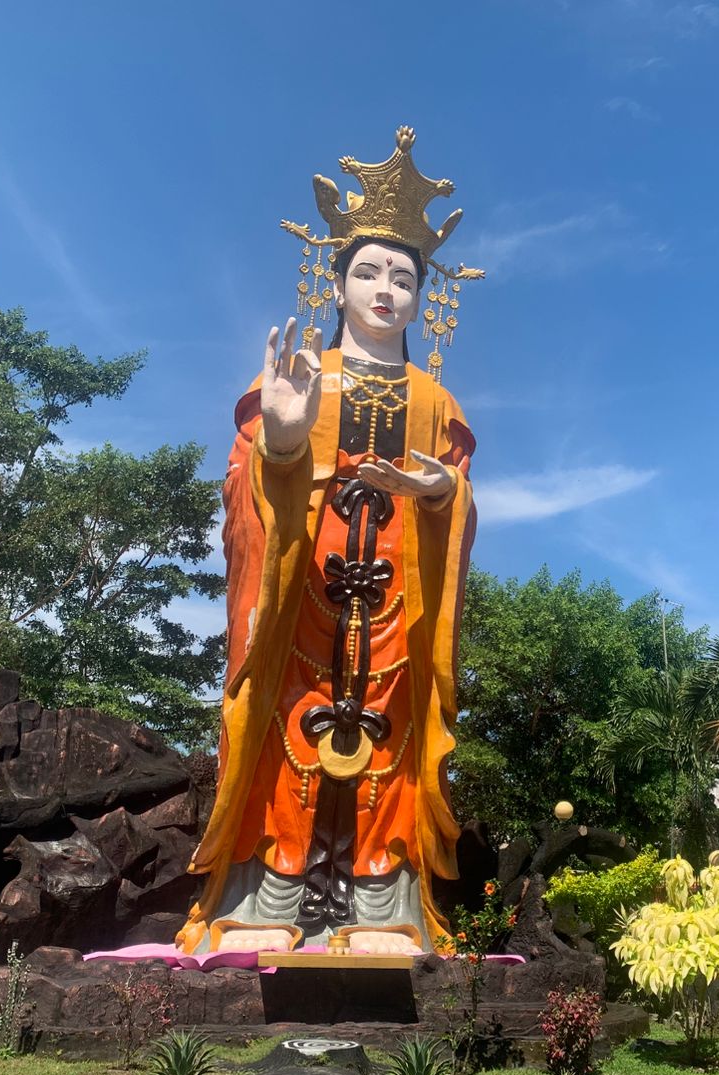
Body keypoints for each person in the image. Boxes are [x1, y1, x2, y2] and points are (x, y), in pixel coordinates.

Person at [176, 128, 477, 955]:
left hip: (396, 594)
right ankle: (268, 896)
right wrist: (279, 438)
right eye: (369, 271)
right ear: (334, 280)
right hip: (305, 583)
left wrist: (440, 494)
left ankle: (383, 902)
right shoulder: (301, 374)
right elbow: (247, 485)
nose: (387, 289)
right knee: (287, 721)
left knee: (391, 729)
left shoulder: (432, 396)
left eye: (405, 277)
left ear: (425, 296)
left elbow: (457, 486)